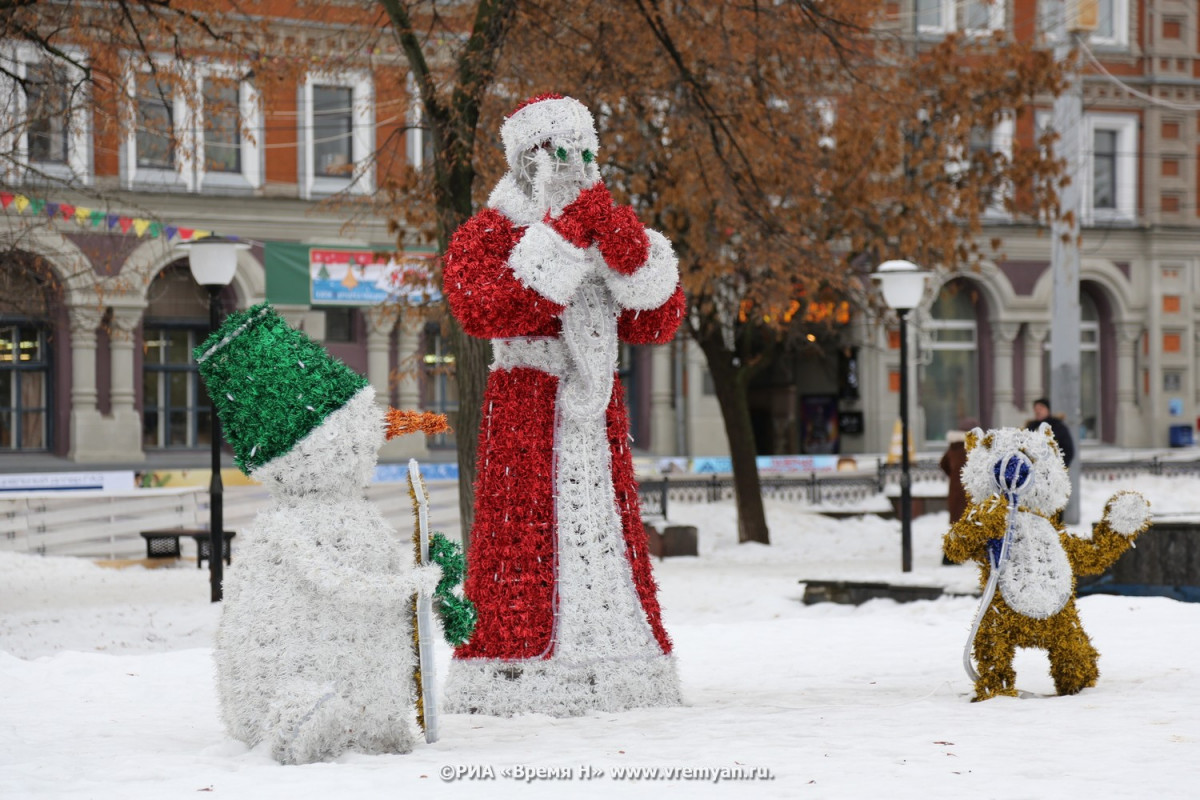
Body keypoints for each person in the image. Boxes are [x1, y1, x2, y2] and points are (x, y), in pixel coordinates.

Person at [441, 94, 684, 717]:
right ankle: (518, 666)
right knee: (527, 534)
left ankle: (615, 655)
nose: (574, 166)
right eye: (559, 153)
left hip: (597, 412)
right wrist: (564, 239)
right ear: (527, 159)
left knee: (601, 528)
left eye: (585, 153)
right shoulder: (490, 232)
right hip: (527, 405)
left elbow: (656, 320)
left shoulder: (603, 228)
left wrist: (632, 254)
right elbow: (487, 307)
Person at [1026, 397, 1075, 468]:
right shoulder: (1031, 427)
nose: (1038, 411)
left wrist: (1059, 467)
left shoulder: (1058, 427)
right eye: (1036, 409)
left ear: (1048, 410)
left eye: (1041, 409)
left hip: (1053, 469)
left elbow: (1068, 450)